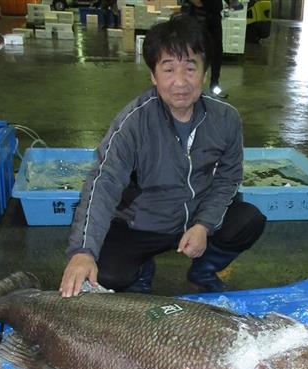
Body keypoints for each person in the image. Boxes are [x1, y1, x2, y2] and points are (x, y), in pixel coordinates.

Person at [59, 14, 266, 298]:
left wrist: (204, 224)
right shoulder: (133, 122)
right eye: (168, 69)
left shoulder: (226, 118)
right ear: (153, 76)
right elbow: (103, 183)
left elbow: (229, 176)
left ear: (204, 74)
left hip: (195, 217)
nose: (180, 82)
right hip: (142, 224)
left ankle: (203, 271)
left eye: (190, 68)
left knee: (249, 220)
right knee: (107, 274)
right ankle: (141, 269)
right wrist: (83, 251)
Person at [184, 0, 228, 98]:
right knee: (194, 50)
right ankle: (190, 85)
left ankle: (215, 86)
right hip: (198, 15)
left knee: (217, 51)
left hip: (215, 14)